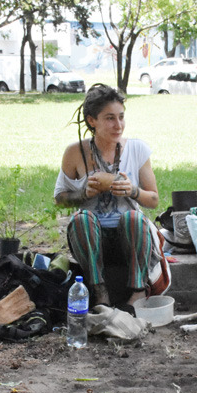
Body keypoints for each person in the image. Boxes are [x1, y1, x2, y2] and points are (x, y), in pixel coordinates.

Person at [54, 84, 160, 309]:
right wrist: (84, 193)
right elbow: (60, 199)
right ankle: (99, 291)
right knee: (81, 218)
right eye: (110, 118)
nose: (118, 125)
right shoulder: (75, 152)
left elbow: (153, 200)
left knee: (134, 217)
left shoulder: (137, 149)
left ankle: (138, 290)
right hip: (91, 240)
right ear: (92, 121)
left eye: (121, 117)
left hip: (130, 239)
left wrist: (133, 190)